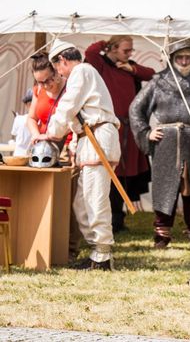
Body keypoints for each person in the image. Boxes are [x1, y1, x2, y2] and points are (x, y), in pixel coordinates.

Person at [129, 38, 190, 249]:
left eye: (188, 57)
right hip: (167, 142)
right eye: (180, 57)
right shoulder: (158, 82)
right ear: (172, 58)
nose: (184, 61)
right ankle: (161, 236)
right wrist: (147, 133)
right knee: (166, 187)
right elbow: (136, 109)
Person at [35, 39, 121, 270]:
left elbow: (68, 106)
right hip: (90, 140)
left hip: (98, 138)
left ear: (62, 60)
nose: (59, 73)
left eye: (57, 67)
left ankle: (103, 256)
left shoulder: (81, 71)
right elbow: (76, 115)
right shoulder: (83, 74)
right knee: (82, 204)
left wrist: (51, 133)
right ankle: (97, 252)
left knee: (94, 199)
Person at [85, 36, 155, 232]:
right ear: (113, 49)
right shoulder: (101, 66)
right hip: (109, 130)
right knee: (111, 173)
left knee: (126, 176)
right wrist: (105, 42)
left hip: (128, 131)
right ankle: (110, 219)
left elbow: (152, 74)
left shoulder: (128, 67)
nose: (129, 53)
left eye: (131, 50)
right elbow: (90, 52)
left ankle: (118, 219)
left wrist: (132, 69)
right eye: (126, 50)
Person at [27, 52, 81, 261]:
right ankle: (41, 242)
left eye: (49, 79)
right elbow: (31, 118)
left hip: (67, 148)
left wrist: (73, 145)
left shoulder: (71, 90)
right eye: (40, 82)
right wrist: (36, 135)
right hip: (42, 150)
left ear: (57, 71)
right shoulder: (38, 89)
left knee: (68, 200)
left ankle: (69, 249)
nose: (45, 85)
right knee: (41, 196)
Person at [10, 89, 33, 156]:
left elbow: (14, 133)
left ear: (26, 105)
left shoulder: (18, 119)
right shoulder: (41, 120)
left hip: (19, 154)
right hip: (32, 156)